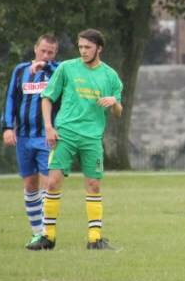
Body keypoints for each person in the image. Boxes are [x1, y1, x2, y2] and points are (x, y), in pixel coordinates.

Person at [27, 29, 123, 251]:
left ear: (99, 48)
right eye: (80, 47)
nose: (83, 51)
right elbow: (47, 98)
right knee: (52, 183)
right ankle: (48, 237)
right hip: (65, 134)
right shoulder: (66, 68)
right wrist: (49, 127)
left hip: (92, 137)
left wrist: (114, 103)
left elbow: (118, 113)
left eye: (88, 47)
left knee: (94, 185)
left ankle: (95, 239)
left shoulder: (110, 76)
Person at [0, 34, 60, 246]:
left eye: (50, 52)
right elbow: (10, 98)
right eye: (43, 51)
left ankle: (46, 233)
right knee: (29, 184)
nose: (46, 55)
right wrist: (8, 127)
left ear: (55, 54)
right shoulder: (20, 70)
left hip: (47, 137)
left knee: (48, 184)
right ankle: (37, 233)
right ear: (35, 49)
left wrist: (46, 67)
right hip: (24, 137)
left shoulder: (58, 71)